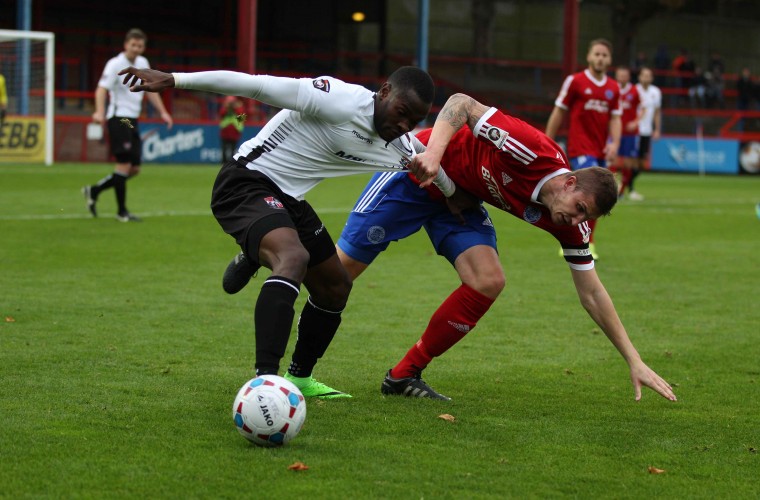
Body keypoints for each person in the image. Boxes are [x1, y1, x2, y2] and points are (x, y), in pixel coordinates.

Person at [118, 64, 467, 399]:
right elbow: (254, 85)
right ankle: (265, 384)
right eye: (401, 111)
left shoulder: (400, 144)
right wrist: (174, 80)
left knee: (336, 287)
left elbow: (431, 166)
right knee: (292, 257)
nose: (403, 124)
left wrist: (453, 196)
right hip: (247, 181)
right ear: (385, 91)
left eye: (414, 120)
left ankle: (299, 377)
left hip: (289, 202)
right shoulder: (337, 98)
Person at [334, 92, 676, 403]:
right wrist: (434, 156)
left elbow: (592, 294)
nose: (575, 222)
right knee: (335, 275)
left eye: (585, 218)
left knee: (488, 279)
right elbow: (460, 103)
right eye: (580, 209)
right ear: (569, 182)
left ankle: (403, 375)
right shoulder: (531, 150)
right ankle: (291, 362)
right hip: (417, 174)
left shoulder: (570, 225)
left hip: (459, 200)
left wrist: (635, 360)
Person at [82, 28, 173, 222]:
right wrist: (99, 111)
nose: (136, 48)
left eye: (140, 45)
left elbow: (151, 91)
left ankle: (94, 190)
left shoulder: (143, 63)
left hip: (132, 119)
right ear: (126, 45)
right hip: (118, 117)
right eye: (133, 45)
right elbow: (101, 89)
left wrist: (163, 112)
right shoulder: (115, 63)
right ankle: (121, 212)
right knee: (123, 165)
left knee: (134, 168)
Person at [545, 38, 621, 259]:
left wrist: (614, 143)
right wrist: (547, 140)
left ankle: (580, 240)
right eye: (596, 54)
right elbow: (559, 111)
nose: (600, 58)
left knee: (597, 197)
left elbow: (616, 119)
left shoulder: (613, 88)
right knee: (589, 194)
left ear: (610, 60)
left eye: (604, 55)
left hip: (600, 150)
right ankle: (581, 241)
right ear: (588, 57)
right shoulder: (575, 81)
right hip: (579, 149)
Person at [614, 66, 643, 200]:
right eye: (620, 75)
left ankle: (622, 190)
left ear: (629, 77)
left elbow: (643, 108)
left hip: (630, 133)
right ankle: (613, 188)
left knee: (628, 163)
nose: (622, 78)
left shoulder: (634, 91)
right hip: (614, 132)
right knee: (612, 161)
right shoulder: (612, 88)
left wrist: (636, 122)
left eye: (625, 75)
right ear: (616, 76)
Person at [634, 66, 662, 194]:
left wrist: (657, 129)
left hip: (647, 131)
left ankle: (626, 186)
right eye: (644, 75)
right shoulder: (634, 90)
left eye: (648, 75)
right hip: (634, 132)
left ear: (652, 78)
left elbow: (657, 112)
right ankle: (628, 189)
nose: (646, 78)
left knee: (642, 163)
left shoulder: (656, 92)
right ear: (639, 77)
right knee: (631, 161)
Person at [219, 96, 246, 163]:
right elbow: (221, 114)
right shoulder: (225, 108)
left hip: (234, 133)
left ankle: (231, 162)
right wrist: (226, 107)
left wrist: (236, 108)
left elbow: (242, 118)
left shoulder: (239, 109)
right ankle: (223, 162)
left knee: (233, 149)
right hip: (225, 133)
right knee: (224, 149)